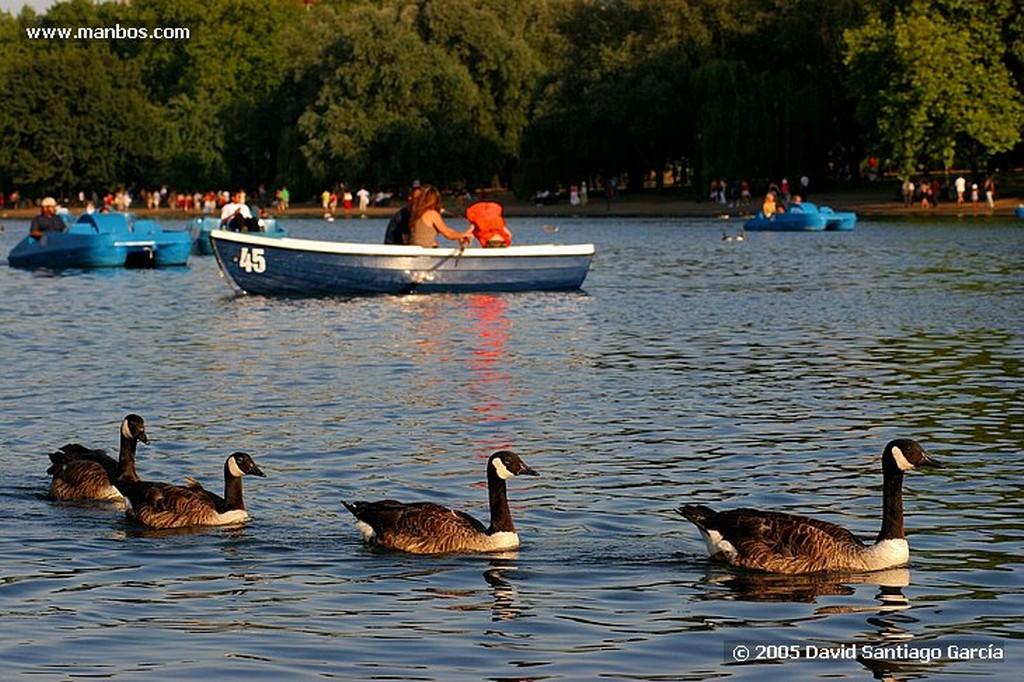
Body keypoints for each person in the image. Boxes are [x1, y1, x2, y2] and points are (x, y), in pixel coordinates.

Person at [408, 185, 473, 248]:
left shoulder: (417, 213)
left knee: (435, 244)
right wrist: (466, 235)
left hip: (413, 248)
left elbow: (446, 229)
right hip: (424, 250)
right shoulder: (432, 214)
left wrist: (460, 236)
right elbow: (449, 235)